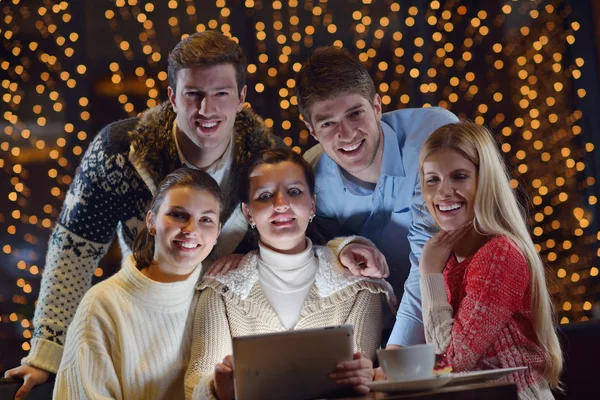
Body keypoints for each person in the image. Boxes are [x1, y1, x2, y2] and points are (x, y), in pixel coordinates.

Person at [5, 30, 281, 399]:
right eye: (193, 94)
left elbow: (300, 244)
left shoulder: (268, 163)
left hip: (226, 337)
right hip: (143, 326)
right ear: (172, 97)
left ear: (241, 98)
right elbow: (74, 247)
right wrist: (48, 350)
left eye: (221, 94)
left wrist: (251, 260)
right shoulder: (118, 151)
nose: (206, 110)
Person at [184, 148, 394, 400]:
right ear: (248, 212)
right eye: (264, 196)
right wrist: (217, 390)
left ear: (312, 203)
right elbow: (197, 382)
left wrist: (365, 381)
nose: (281, 205)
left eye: (294, 192)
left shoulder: (360, 286)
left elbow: (360, 378)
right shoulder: (221, 289)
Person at [297, 46, 459, 346]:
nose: (346, 134)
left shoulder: (433, 135)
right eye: (327, 123)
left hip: (462, 315)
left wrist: (397, 352)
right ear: (310, 128)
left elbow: (430, 253)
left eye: (355, 113)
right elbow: (319, 258)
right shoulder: (310, 180)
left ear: (377, 106)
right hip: (377, 332)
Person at [417, 122, 562, 398]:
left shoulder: (499, 254)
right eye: (432, 179)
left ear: (485, 182)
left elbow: (451, 365)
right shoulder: (441, 257)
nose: (443, 192)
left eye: (459, 177)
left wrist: (429, 276)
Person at [53, 168, 223, 399]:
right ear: (151, 221)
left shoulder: (220, 296)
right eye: (178, 215)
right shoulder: (102, 304)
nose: (191, 230)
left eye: (206, 219)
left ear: (217, 233)